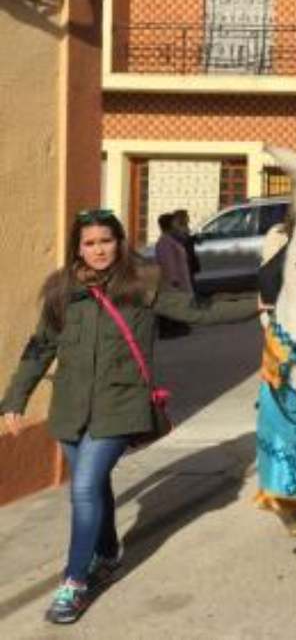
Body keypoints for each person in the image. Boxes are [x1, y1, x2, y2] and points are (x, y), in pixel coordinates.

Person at [0, 210, 257, 625]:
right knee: (94, 485)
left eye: (107, 240)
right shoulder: (61, 291)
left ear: (120, 242)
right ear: (77, 248)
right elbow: (39, 348)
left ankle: (74, 582)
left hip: (122, 404)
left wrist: (258, 303)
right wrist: (14, 399)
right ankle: (106, 553)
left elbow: (199, 309)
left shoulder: (142, 283)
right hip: (70, 409)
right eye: (90, 243)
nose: (99, 250)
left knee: (83, 488)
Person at [154, 212, 192, 294]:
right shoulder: (165, 242)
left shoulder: (171, 240)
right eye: (176, 223)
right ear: (170, 225)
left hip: (182, 281)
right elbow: (168, 263)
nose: (177, 226)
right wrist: (174, 281)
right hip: (175, 287)